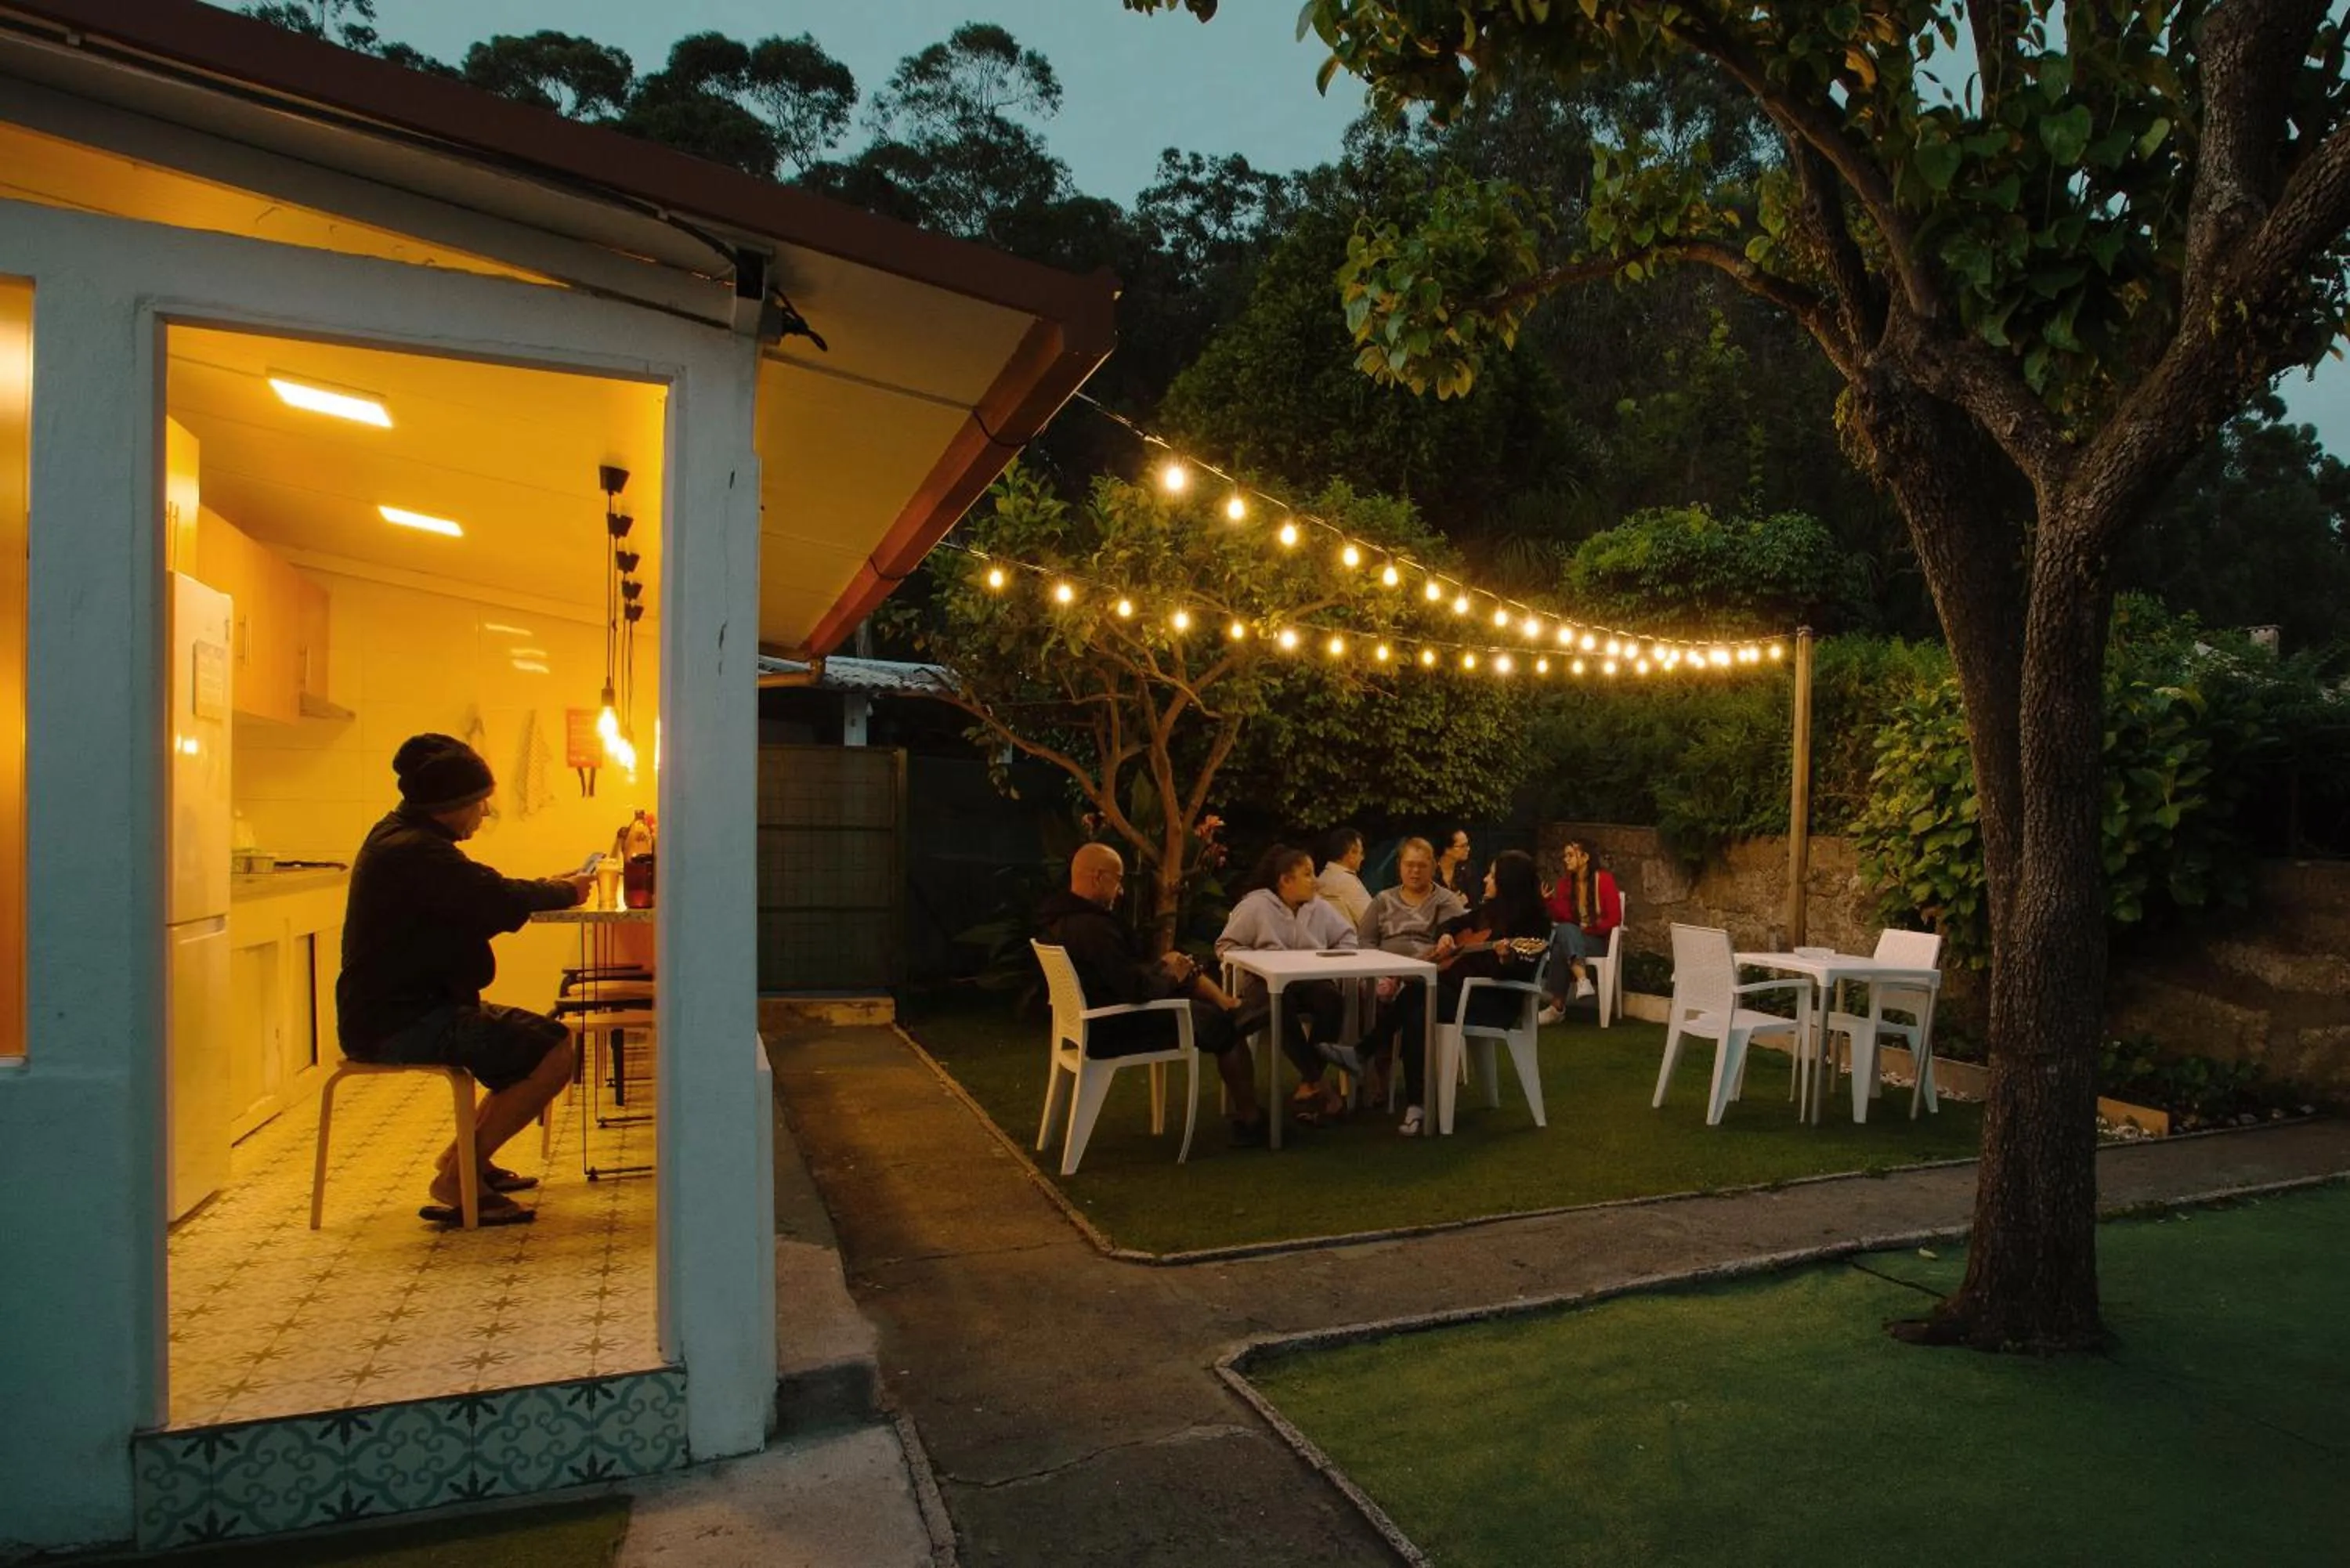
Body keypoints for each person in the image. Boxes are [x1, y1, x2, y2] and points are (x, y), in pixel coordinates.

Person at [337, 734, 592, 1227]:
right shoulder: (415, 851)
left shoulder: (401, 837)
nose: (484, 813)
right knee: (553, 1050)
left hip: (397, 1008)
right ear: (450, 807)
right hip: (400, 1021)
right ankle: (459, 1178)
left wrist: (549, 887)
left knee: (534, 1041)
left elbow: (477, 892)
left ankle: (464, 1163)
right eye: (480, 804)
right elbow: (491, 897)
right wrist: (564, 890)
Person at [1035, 843, 1267, 1146]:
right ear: (1097, 877)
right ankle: (1252, 1118)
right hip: (1116, 1027)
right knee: (1221, 1027)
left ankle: (1231, 1006)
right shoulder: (1094, 928)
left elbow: (1120, 977)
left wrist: (1163, 967)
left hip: (1092, 1021)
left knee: (1176, 967)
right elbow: (1137, 992)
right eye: (1117, 880)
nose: (1120, 891)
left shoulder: (1058, 920)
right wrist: (1170, 976)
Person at [1386, 850, 1551, 1136]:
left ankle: (1412, 1099)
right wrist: (1447, 935)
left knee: (1419, 999)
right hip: (1461, 993)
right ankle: (1416, 1102)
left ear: (1507, 882)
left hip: (1493, 1003)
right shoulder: (1489, 912)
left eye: (1492, 874)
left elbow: (1520, 972)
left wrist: (1505, 960)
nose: (1486, 878)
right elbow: (1453, 924)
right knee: (1416, 999)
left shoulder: (1533, 923)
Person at [1216, 844, 1359, 1125]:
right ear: (1285, 880)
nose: (1314, 881)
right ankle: (1319, 1083)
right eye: (1307, 874)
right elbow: (1226, 946)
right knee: (1278, 1003)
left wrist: (1327, 960)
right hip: (1265, 983)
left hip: (1309, 979)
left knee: (1332, 999)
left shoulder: (1319, 908)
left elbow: (1348, 938)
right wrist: (1261, 963)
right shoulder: (1255, 906)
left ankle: (1309, 1081)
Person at [1353, 836, 1468, 1107]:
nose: (1415, 871)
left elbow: (1455, 947)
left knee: (1404, 997)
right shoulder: (1382, 900)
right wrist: (1379, 970)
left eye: (1421, 865)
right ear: (1400, 867)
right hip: (1383, 972)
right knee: (1362, 993)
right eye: (1409, 865)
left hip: (1426, 975)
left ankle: (1375, 1069)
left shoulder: (1446, 902)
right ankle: (1375, 1076)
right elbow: (1365, 941)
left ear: (1433, 867)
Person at [1538, 838, 1623, 1024]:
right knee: (1563, 936)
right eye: (1565, 856)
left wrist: (1591, 928)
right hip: (1574, 939)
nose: (1566, 860)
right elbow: (1563, 917)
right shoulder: (1565, 884)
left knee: (1563, 938)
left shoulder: (1604, 880)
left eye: (1570, 855)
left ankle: (1557, 1008)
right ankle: (1582, 980)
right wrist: (1548, 902)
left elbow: (1615, 918)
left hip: (1597, 942)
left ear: (1585, 857)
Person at [1314, 827, 1373, 927]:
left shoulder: (1322, 878)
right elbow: (1373, 923)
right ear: (1351, 853)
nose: (1362, 858)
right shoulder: (1348, 882)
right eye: (1361, 853)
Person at [1434, 826, 1477, 905]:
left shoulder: (1468, 869)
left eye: (1467, 845)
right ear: (1447, 849)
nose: (1468, 849)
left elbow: (1474, 901)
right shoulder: (1430, 871)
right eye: (1462, 846)